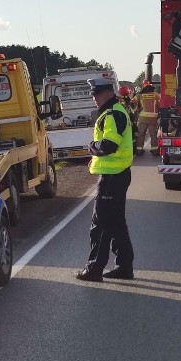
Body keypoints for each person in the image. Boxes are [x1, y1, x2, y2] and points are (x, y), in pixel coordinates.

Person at [75, 77, 135, 282]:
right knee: (116, 223)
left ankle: (94, 269)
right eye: (93, 95)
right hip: (116, 174)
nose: (95, 98)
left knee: (100, 224)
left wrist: (92, 146)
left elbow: (108, 145)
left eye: (98, 94)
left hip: (113, 176)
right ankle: (124, 266)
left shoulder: (113, 114)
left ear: (109, 93)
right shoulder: (113, 112)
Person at [132, 80, 160, 156]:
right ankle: (154, 151)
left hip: (143, 118)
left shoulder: (140, 95)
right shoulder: (156, 95)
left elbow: (132, 102)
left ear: (143, 86)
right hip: (153, 119)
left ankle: (139, 151)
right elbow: (160, 105)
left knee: (141, 134)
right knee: (153, 135)